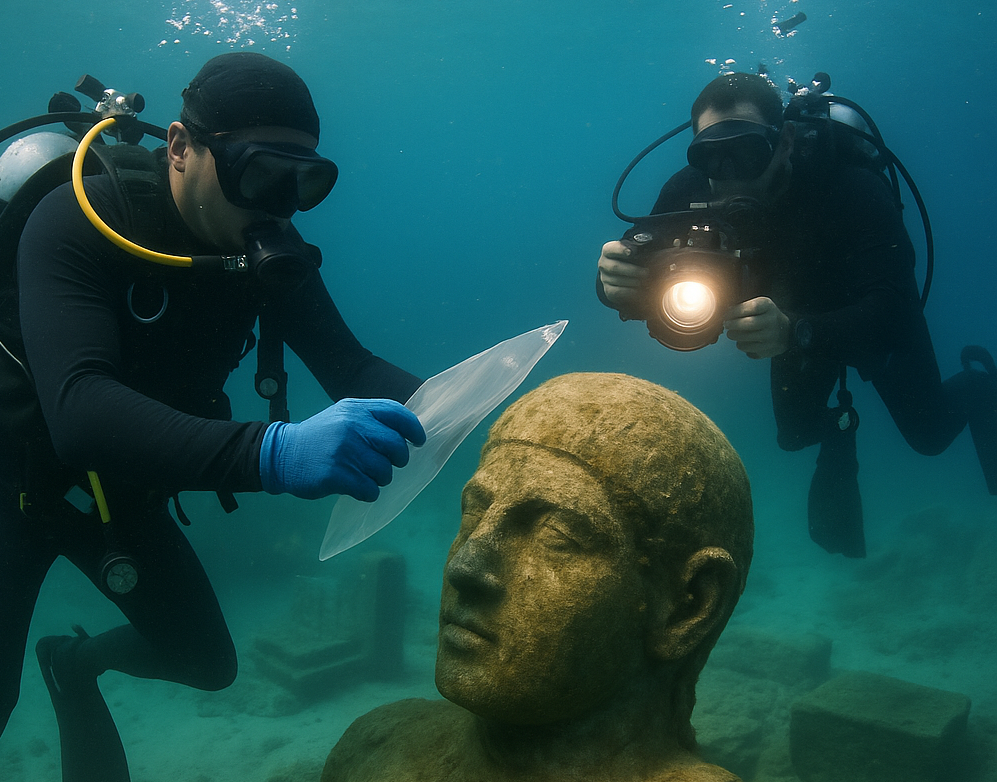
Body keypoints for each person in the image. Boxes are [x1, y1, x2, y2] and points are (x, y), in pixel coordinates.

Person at [0, 52, 426, 781]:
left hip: (119, 494)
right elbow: (79, 410)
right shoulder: (79, 219)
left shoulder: (265, 256)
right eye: (259, 174)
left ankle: (72, 665)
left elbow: (351, 368)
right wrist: (272, 453)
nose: (279, 206)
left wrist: (474, 404)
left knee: (204, 662)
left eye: (305, 182)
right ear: (179, 147)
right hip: (14, 481)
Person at [596, 71, 997, 557]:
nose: (730, 174)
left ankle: (979, 386)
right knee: (795, 435)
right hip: (787, 325)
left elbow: (894, 310)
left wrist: (796, 333)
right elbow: (649, 280)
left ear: (784, 141)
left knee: (930, 435)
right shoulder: (689, 190)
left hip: (866, 318)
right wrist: (615, 286)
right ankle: (841, 430)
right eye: (711, 156)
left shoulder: (851, 187)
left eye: (748, 152)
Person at [322, 372, 754, 782]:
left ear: (689, 607)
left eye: (556, 534)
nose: (465, 567)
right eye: (475, 511)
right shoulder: (372, 752)